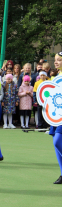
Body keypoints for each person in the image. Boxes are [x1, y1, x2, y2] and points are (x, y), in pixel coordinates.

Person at [49, 52, 62, 184]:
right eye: (56, 60)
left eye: (59, 60)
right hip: (55, 115)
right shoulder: (56, 77)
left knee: (57, 141)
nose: (56, 62)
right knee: (56, 144)